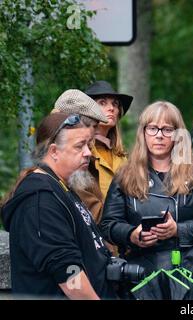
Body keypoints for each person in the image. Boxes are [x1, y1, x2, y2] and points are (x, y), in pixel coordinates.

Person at [100, 101, 193, 300]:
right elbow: (108, 224)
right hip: (144, 273)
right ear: (143, 133)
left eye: (167, 129)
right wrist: (132, 234)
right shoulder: (125, 174)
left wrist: (178, 230)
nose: (159, 135)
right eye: (153, 128)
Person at [1, 110, 116, 299]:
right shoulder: (39, 200)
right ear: (54, 151)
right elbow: (69, 274)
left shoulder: (61, 187)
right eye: (80, 146)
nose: (88, 153)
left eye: (89, 145)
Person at [81, 80, 133, 222]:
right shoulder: (82, 154)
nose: (111, 108)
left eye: (115, 104)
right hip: (95, 232)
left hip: (125, 234)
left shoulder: (123, 157)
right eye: (102, 103)